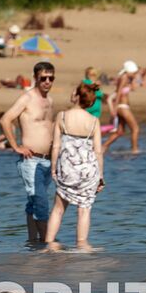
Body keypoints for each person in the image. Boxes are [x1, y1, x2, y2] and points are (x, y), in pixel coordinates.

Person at [0, 61, 57, 243]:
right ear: (36, 78)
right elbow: (5, 120)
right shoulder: (27, 98)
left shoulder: (50, 100)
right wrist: (16, 146)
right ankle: (49, 243)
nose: (47, 82)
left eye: (51, 78)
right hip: (31, 161)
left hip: (48, 160)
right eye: (43, 78)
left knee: (34, 202)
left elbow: (48, 127)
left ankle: (33, 242)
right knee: (40, 201)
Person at [44, 82, 104, 250]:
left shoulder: (62, 116)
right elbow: (98, 152)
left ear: (77, 96)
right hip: (88, 169)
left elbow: (56, 146)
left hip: (67, 168)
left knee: (58, 208)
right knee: (84, 210)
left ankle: (50, 243)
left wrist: (54, 167)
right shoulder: (94, 121)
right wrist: (100, 176)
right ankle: (82, 243)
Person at [102, 61, 141, 152]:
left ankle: (104, 146)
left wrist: (134, 79)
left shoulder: (126, 78)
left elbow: (133, 88)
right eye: (134, 73)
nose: (135, 74)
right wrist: (114, 107)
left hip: (122, 107)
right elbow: (118, 92)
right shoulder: (124, 77)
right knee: (135, 128)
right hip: (122, 107)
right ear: (128, 71)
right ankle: (135, 150)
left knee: (120, 131)